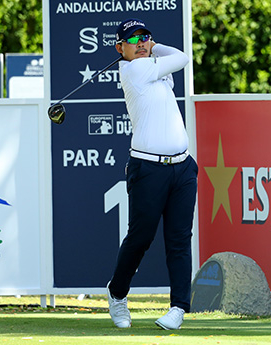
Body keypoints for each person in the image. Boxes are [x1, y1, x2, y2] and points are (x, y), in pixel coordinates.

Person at [106, 18, 197, 330]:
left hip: (183, 167)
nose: (142, 42)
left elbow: (178, 56)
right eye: (133, 39)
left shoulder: (151, 65)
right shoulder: (134, 70)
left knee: (179, 240)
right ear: (120, 48)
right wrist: (153, 49)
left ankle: (178, 308)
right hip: (149, 168)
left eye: (145, 37)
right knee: (141, 237)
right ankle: (117, 294)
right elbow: (182, 57)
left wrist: (149, 46)